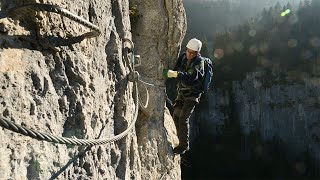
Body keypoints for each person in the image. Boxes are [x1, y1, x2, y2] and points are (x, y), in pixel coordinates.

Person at [163, 38, 205, 154]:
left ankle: (183, 146)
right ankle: (178, 138)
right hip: (182, 93)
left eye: (193, 53)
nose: (189, 54)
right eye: (188, 51)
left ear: (197, 53)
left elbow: (191, 77)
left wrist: (176, 74)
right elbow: (176, 69)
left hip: (192, 95)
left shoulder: (199, 63)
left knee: (183, 118)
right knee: (176, 115)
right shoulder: (183, 57)